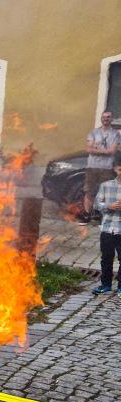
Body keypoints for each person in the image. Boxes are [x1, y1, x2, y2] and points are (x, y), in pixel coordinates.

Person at [83, 111, 121, 223]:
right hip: (92, 167)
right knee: (89, 192)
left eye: (108, 117)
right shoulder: (93, 132)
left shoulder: (115, 134)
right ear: (101, 118)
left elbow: (112, 151)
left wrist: (96, 149)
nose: (106, 119)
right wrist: (105, 151)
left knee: (105, 193)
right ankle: (87, 215)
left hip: (107, 168)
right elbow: (89, 149)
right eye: (104, 117)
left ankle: (101, 215)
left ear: (111, 119)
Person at [92, 154, 121, 295]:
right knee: (106, 258)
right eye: (120, 169)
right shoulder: (105, 185)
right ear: (115, 169)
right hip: (107, 228)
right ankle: (105, 284)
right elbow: (96, 205)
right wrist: (109, 206)